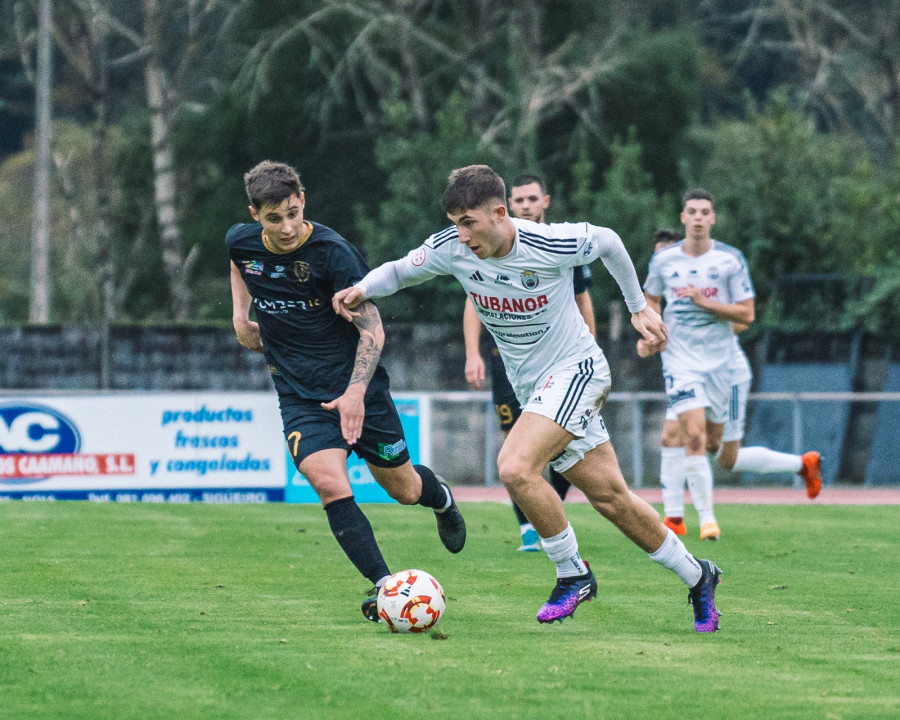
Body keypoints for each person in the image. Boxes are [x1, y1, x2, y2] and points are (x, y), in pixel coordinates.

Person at [334, 165, 723, 632]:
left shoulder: (548, 241)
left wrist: (639, 307)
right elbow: (399, 272)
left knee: (515, 466)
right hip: (533, 386)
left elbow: (608, 241)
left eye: (469, 223)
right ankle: (699, 575)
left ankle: (572, 573)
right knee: (611, 497)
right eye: (454, 222)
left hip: (577, 371)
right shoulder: (453, 248)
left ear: (500, 213)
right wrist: (361, 289)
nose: (461, 234)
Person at [227, 160, 466, 624]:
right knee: (328, 482)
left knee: (403, 488)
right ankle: (386, 589)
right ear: (255, 215)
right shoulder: (240, 240)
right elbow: (239, 260)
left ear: (303, 202)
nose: (288, 227)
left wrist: (356, 392)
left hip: (361, 391)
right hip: (299, 395)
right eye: (274, 219)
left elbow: (373, 329)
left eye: (294, 213)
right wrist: (241, 316)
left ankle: (442, 499)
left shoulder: (333, 253)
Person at [647, 229, 822, 538]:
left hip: (727, 374)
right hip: (687, 374)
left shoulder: (710, 283)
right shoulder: (662, 294)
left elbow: (742, 320)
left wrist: (704, 314)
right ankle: (675, 519)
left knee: (725, 457)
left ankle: (802, 464)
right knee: (673, 435)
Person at [463, 173, 596, 552]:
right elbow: (472, 303)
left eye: (531, 199)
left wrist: (591, 348)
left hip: (561, 360)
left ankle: (549, 515)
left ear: (545, 202)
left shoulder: (562, 244)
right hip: (507, 361)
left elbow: (582, 298)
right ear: (507, 205)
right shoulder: (489, 244)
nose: (525, 205)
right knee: (514, 443)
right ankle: (528, 530)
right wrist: (473, 354)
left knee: (563, 445)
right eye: (518, 200)